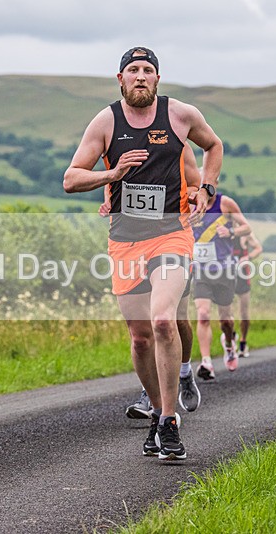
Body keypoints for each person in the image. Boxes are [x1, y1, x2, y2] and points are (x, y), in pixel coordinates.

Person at [64, 47, 223, 461]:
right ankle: (156, 409)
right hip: (125, 241)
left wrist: (207, 187)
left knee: (162, 321)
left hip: (171, 234)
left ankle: (170, 421)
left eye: (147, 70)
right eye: (132, 70)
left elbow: (214, 145)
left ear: (157, 79)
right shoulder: (105, 121)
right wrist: (111, 175)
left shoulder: (181, 115)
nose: (140, 76)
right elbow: (70, 178)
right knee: (139, 338)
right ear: (120, 79)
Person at [106, 144, 201, 417]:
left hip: (172, 240)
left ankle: (183, 372)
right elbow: (114, 182)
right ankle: (153, 396)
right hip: (131, 245)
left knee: (174, 320)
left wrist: (197, 194)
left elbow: (195, 183)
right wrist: (108, 199)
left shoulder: (177, 142)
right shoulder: (121, 144)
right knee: (142, 336)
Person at [192, 192, 251, 379]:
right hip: (200, 270)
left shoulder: (224, 203)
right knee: (202, 314)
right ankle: (206, 362)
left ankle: (228, 343)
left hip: (224, 270)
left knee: (226, 320)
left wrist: (231, 232)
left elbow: (247, 227)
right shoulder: (189, 204)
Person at [233, 232, 262, 357]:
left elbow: (258, 248)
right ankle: (231, 336)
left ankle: (243, 342)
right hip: (223, 274)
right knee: (225, 312)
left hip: (242, 276)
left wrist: (248, 257)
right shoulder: (218, 229)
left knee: (244, 312)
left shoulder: (244, 233)